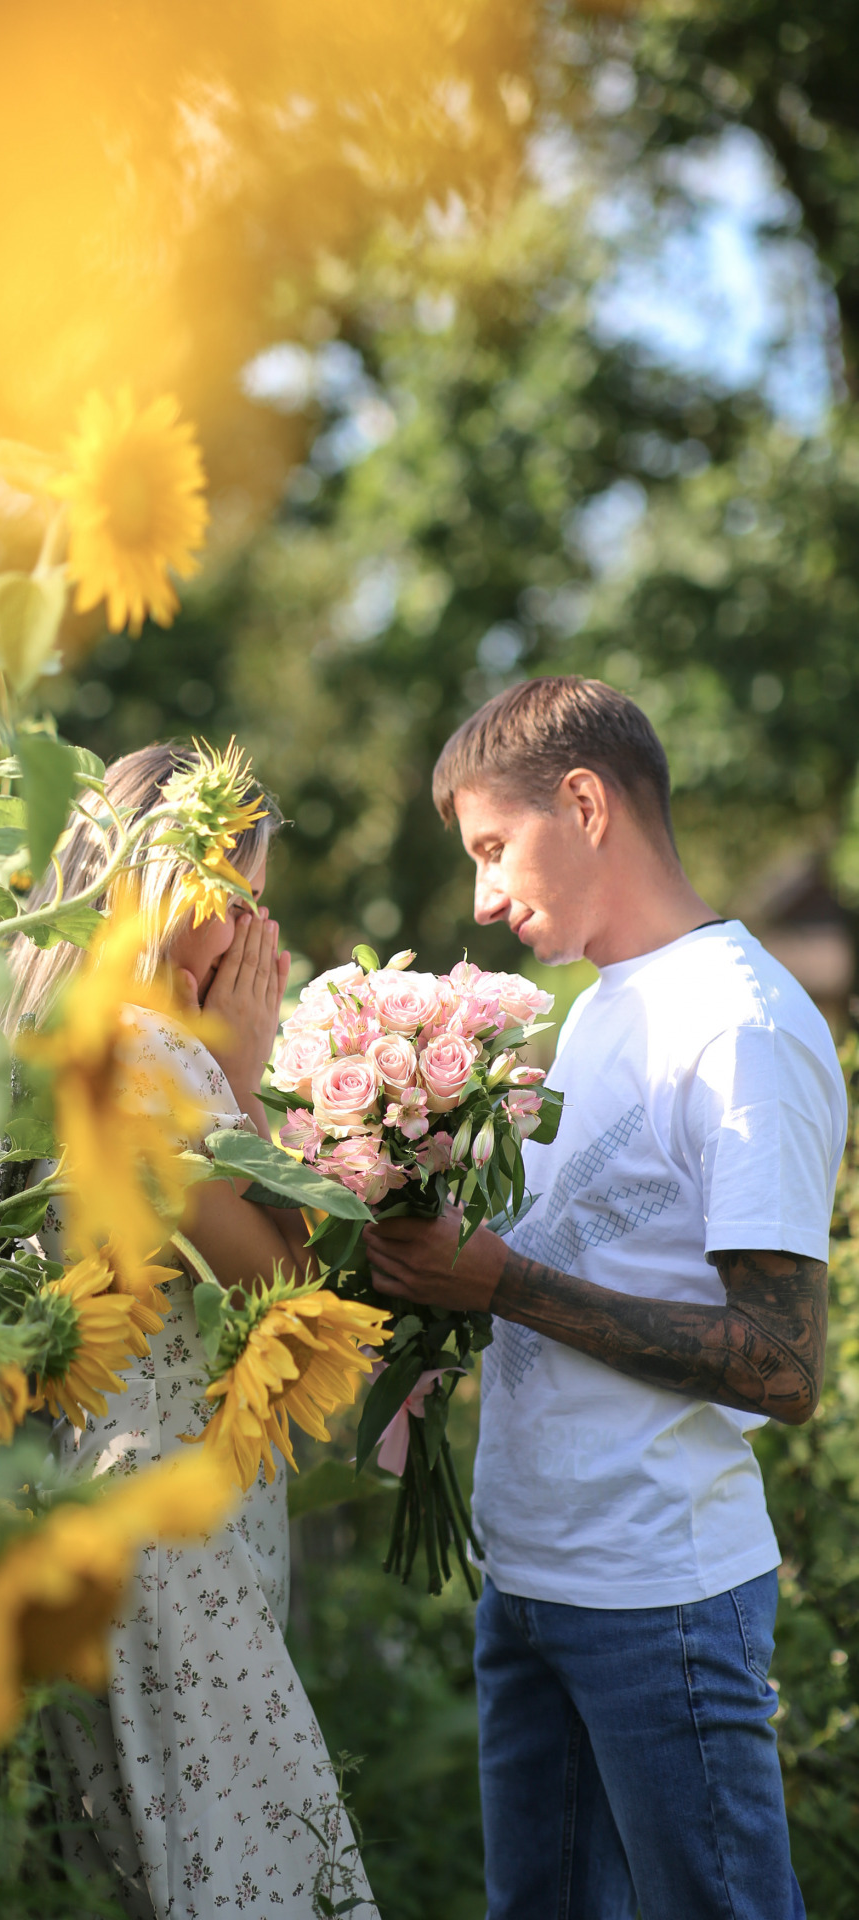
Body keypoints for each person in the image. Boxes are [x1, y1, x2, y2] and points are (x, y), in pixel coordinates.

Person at [365, 676, 845, 1920]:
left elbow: (782, 1368)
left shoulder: (742, 1028)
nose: (480, 896)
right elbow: (579, 1265)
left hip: (659, 1599)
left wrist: (505, 1283)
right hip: (531, 1580)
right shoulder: (593, 1013)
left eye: (490, 848)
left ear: (581, 803)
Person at [8, 744, 375, 1920]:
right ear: (164, 893)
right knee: (252, 1876)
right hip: (167, 1538)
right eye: (237, 901)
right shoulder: (152, 1055)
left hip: (113, 1508)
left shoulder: (68, 1033)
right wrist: (249, 1072)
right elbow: (279, 1280)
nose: (253, 940)